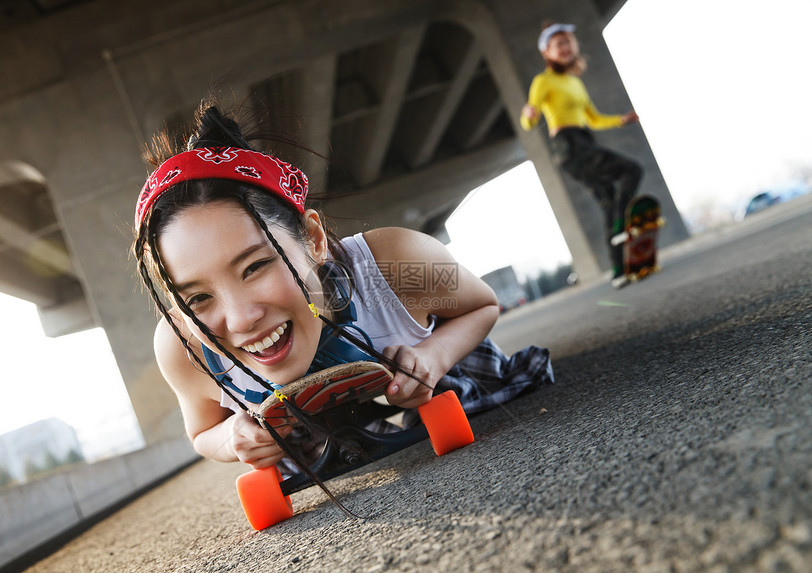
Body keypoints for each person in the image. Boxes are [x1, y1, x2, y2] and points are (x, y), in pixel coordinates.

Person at [132, 101, 554, 481]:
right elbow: (203, 431)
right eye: (197, 298)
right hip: (308, 435)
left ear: (314, 238)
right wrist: (233, 437)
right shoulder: (183, 345)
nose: (242, 319)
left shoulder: (395, 265)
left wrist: (433, 357)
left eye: (256, 266)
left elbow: (481, 305)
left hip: (431, 381)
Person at [521, 22, 643, 288]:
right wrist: (528, 116)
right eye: (558, 44)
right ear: (547, 52)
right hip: (569, 146)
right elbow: (530, 118)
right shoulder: (543, 81)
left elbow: (594, 119)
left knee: (608, 201)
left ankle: (618, 271)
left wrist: (621, 120)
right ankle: (624, 223)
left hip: (584, 140)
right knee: (632, 170)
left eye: (568, 42)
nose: (566, 48)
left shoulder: (575, 82)